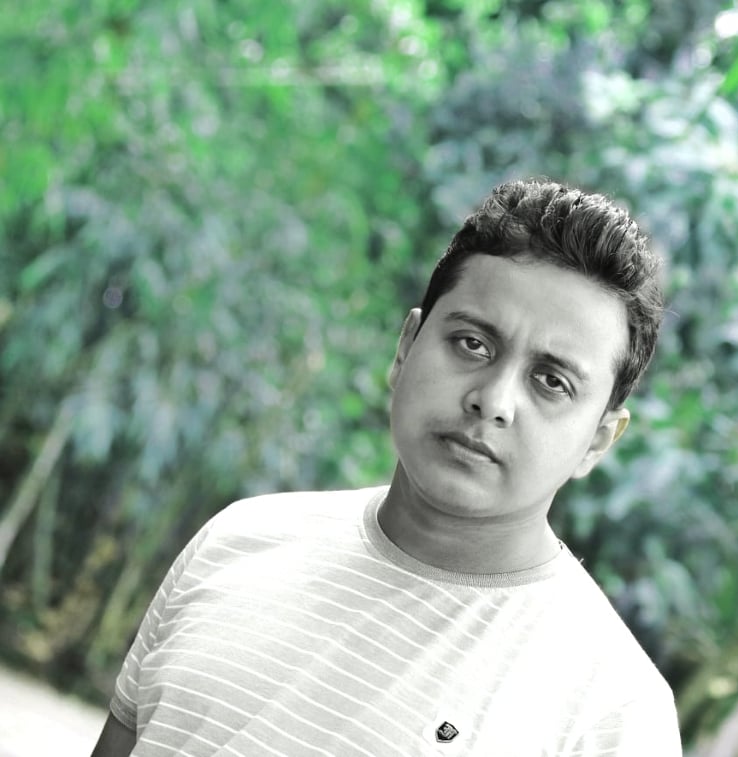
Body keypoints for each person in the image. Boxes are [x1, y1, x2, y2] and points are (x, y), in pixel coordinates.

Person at [91, 179, 682, 756]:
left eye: (551, 381)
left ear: (598, 441)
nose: (493, 401)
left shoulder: (612, 714)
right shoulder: (241, 538)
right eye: (473, 344)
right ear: (406, 348)